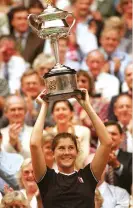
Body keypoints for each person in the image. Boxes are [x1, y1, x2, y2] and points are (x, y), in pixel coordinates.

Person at [30, 88, 112, 208]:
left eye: (70, 148)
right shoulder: (47, 178)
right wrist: (44, 106)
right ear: (53, 153)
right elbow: (34, 144)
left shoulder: (88, 176)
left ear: (77, 152)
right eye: (61, 148)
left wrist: (86, 106)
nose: (66, 152)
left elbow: (106, 143)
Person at [46, 99, 91, 170]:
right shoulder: (48, 134)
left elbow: (84, 157)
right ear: (52, 115)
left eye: (64, 109)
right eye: (57, 110)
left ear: (71, 113)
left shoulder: (83, 131)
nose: (61, 112)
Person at [104, 121, 132, 194]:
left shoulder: (130, 158)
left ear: (122, 137)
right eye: (106, 134)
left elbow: (130, 181)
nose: (109, 137)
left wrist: (117, 166)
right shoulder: (92, 158)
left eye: (113, 134)